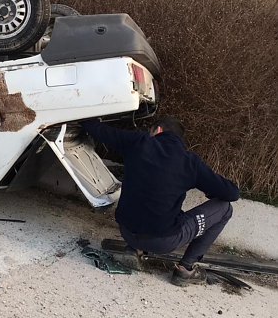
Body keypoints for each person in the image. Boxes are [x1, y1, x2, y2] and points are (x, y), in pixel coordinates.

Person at [80, 117, 240, 287]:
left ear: (157, 130)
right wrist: (209, 189)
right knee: (225, 208)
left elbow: (99, 130)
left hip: (126, 231)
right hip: (163, 242)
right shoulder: (189, 163)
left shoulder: (138, 143)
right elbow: (232, 193)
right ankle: (185, 269)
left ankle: (134, 249)